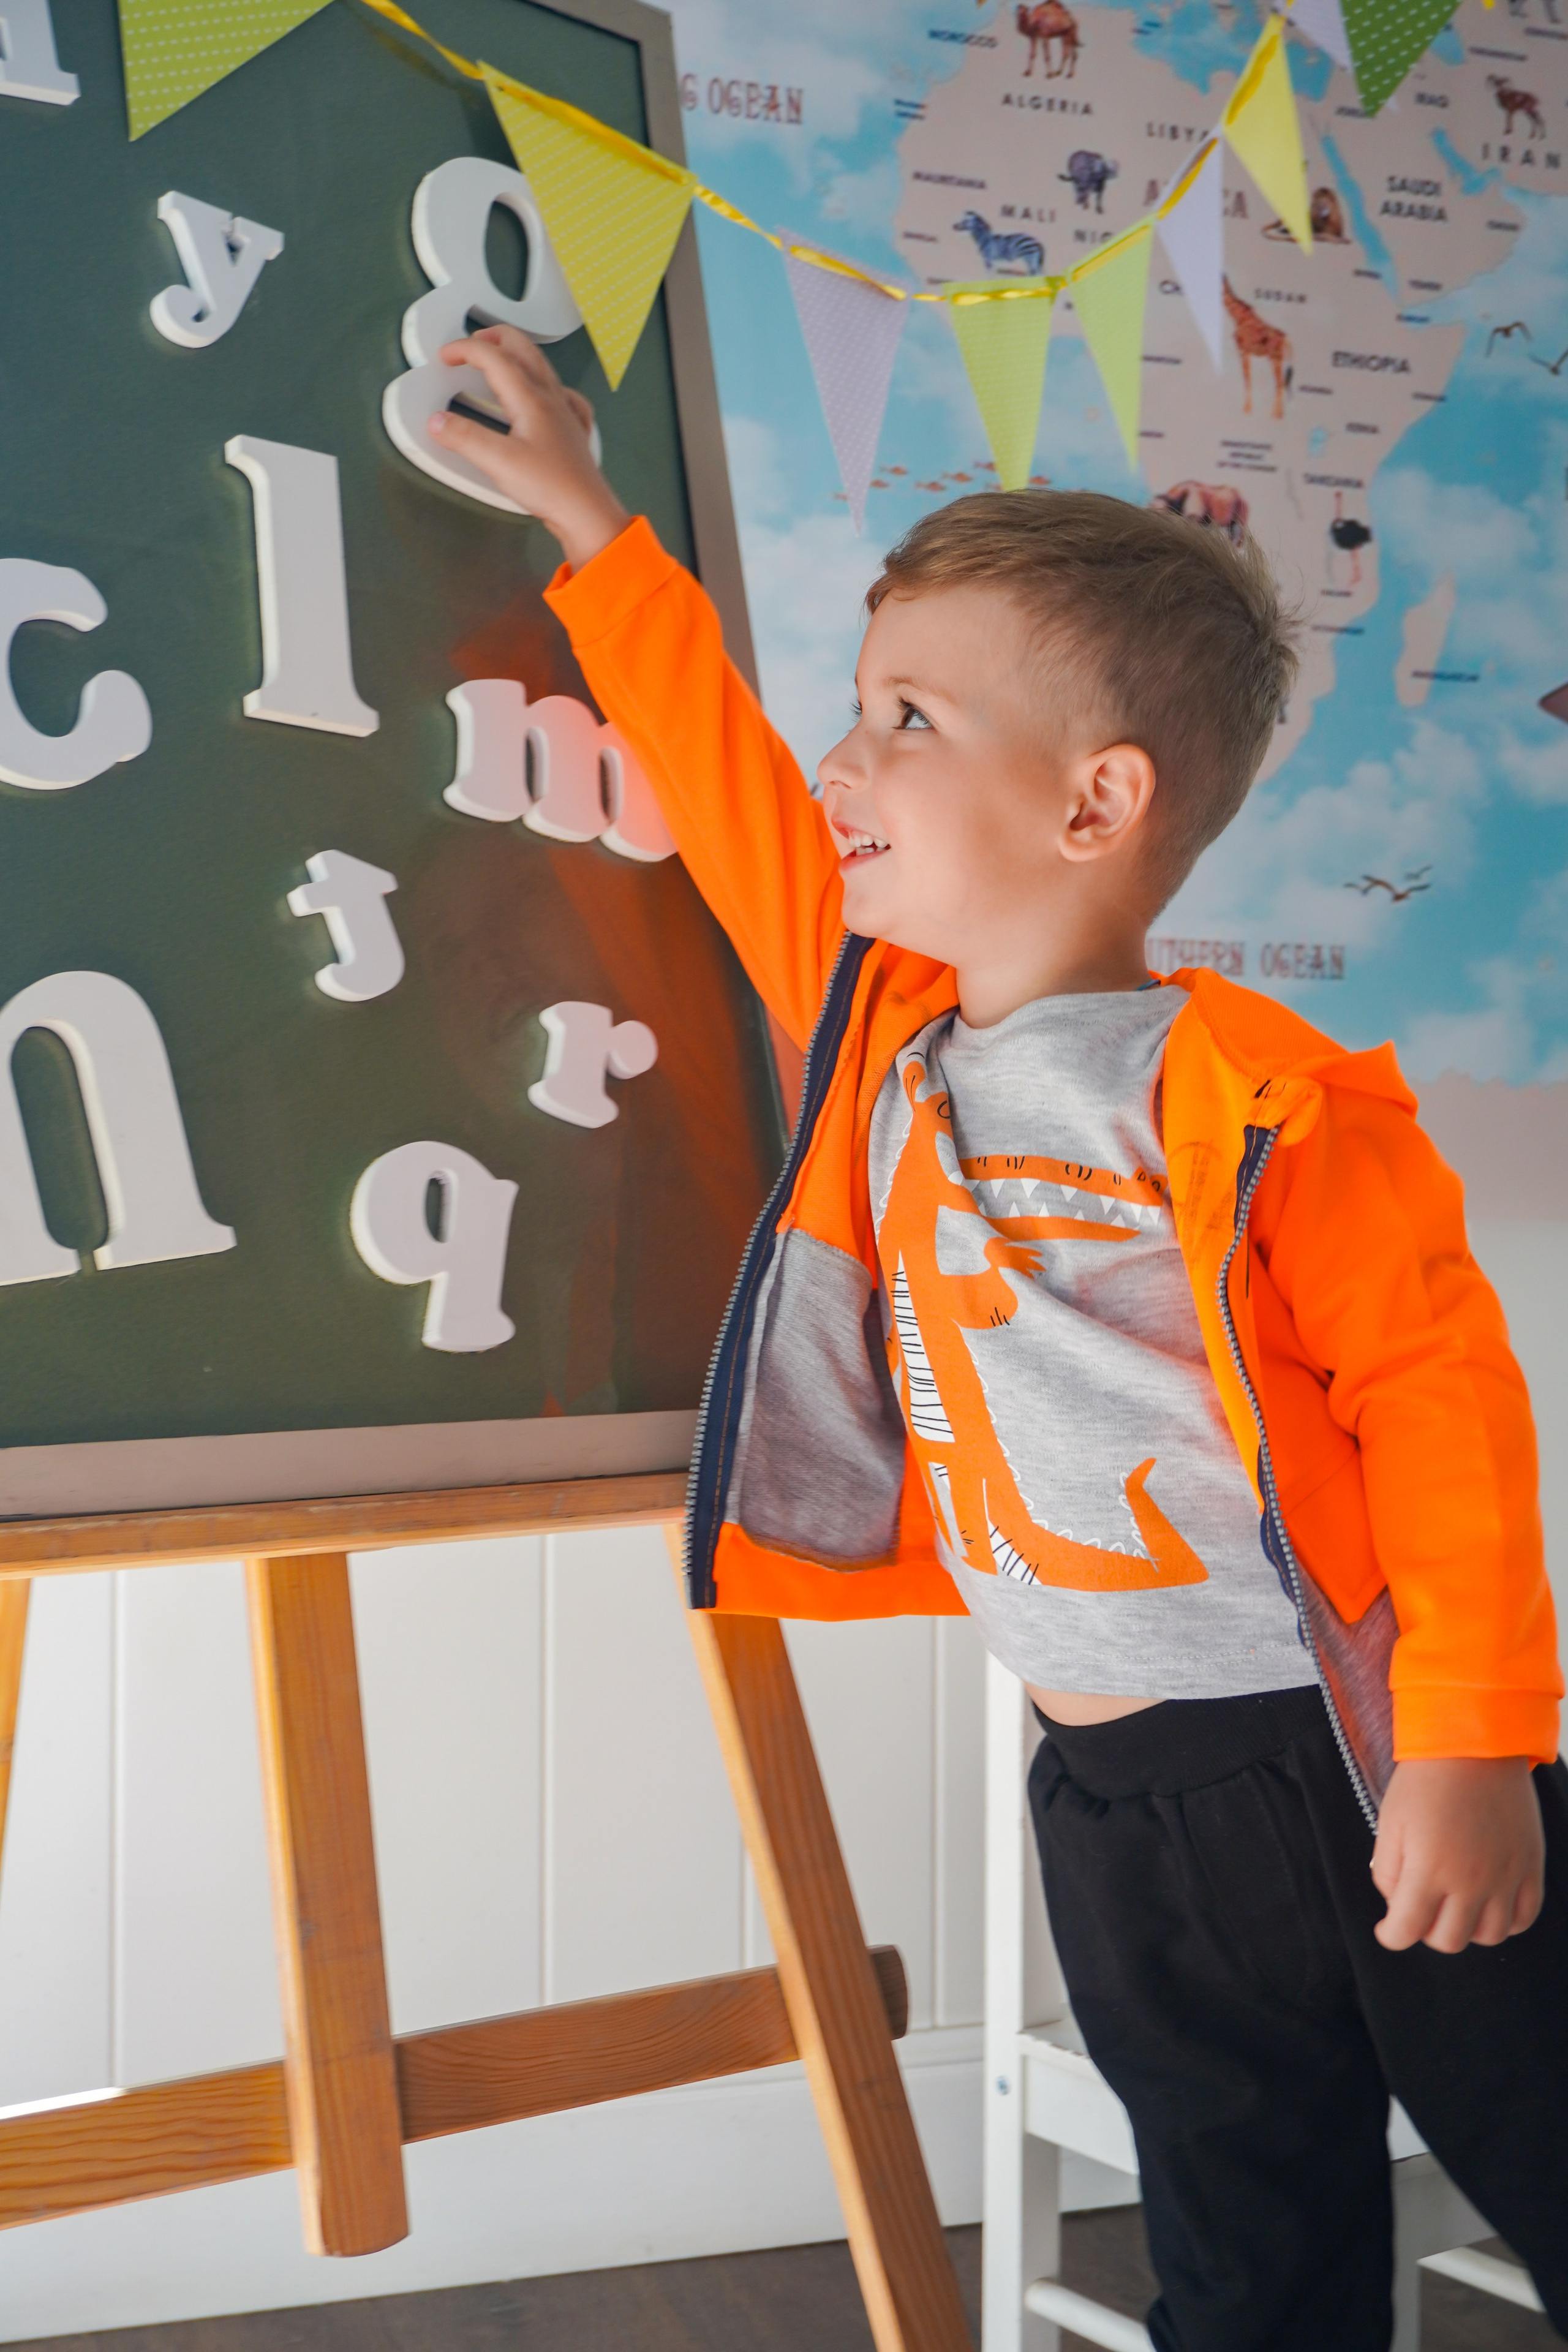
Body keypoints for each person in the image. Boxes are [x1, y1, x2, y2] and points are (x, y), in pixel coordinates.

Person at [428, 326, 1567, 2351]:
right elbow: (727, 789)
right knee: (1238, 2225)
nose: (843, 763)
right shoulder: (884, 1027)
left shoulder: (1261, 1093)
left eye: (903, 719)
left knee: (1544, 2138)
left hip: (1352, 1751)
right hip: (1115, 1788)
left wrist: (1475, 1745)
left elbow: (1443, 1415)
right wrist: (588, 517)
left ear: (1096, 800)